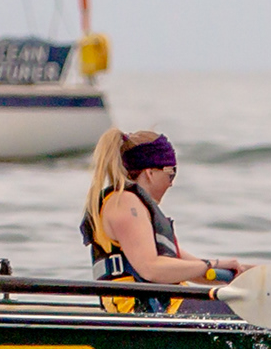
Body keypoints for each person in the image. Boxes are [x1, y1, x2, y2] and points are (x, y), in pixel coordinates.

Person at [81, 127, 246, 313]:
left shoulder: (138, 208)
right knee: (244, 311)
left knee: (247, 304)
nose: (172, 182)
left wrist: (248, 272)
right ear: (150, 173)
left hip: (169, 302)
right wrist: (211, 265)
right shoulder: (125, 204)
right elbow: (150, 269)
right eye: (171, 172)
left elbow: (193, 269)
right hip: (147, 309)